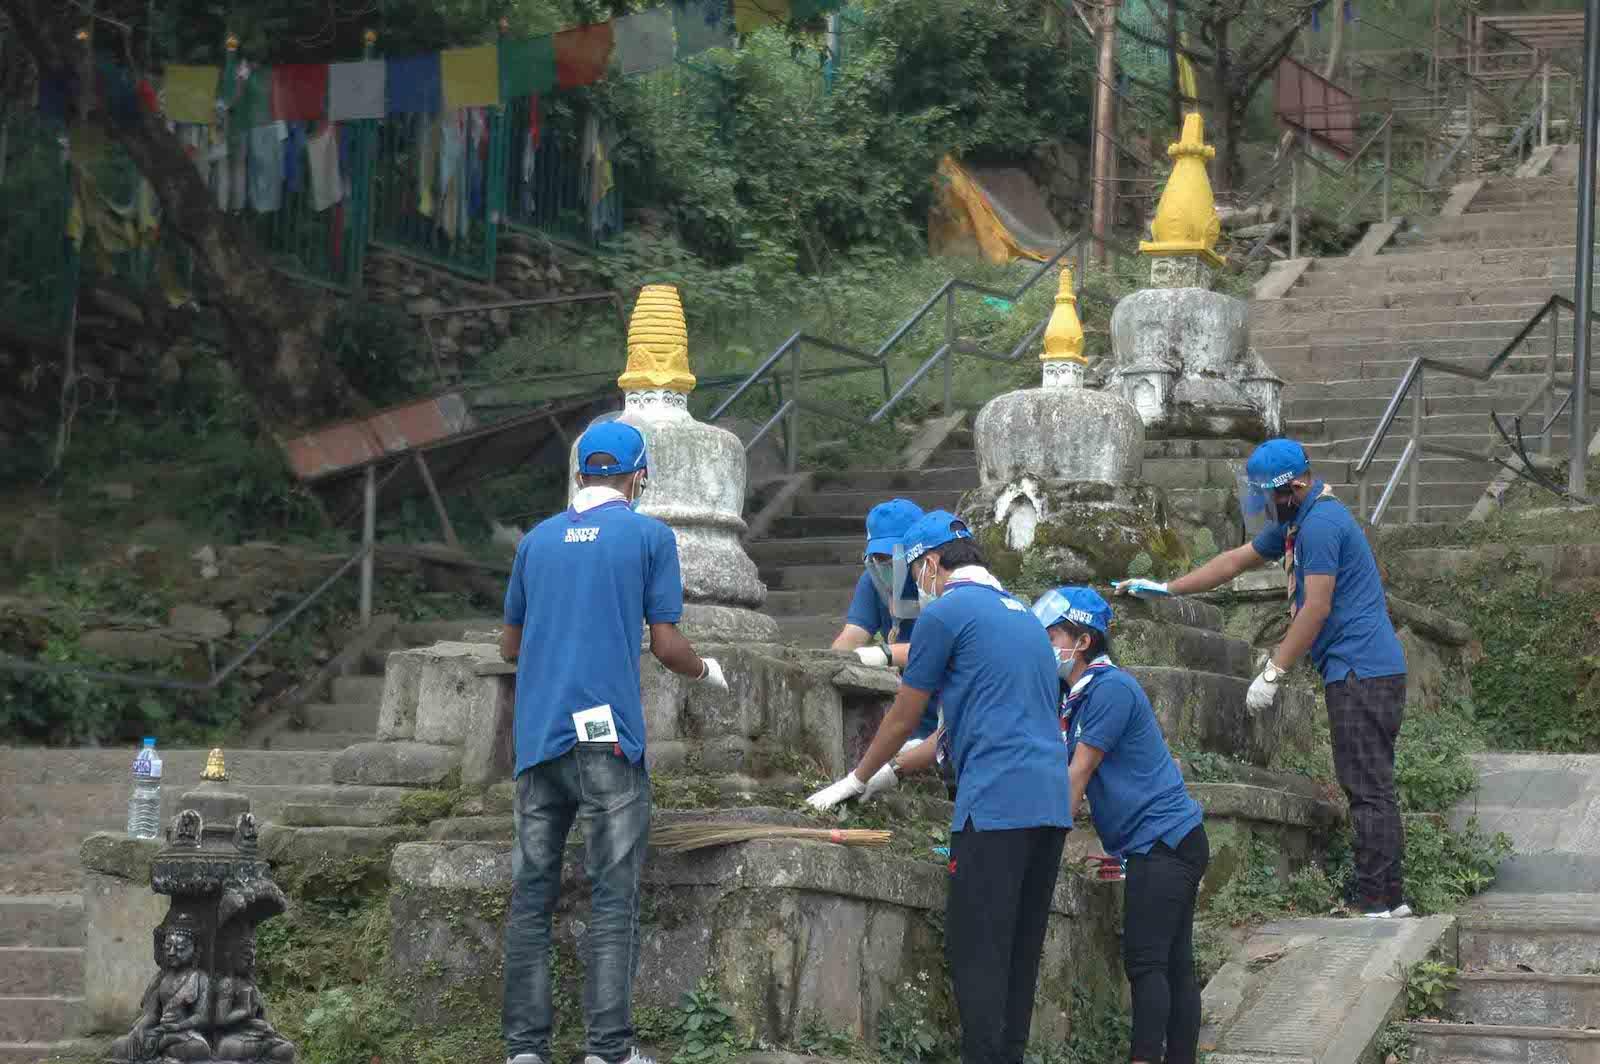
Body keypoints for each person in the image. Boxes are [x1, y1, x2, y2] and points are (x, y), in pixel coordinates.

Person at [499, 420, 729, 1064]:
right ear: (639, 476)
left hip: (538, 740)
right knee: (611, 894)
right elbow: (666, 644)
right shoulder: (650, 536)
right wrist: (706, 671)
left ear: (580, 474)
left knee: (531, 896)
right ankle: (607, 1051)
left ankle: (524, 1051)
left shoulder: (536, 542)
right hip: (608, 742)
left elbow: (510, 646)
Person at [807, 511, 1072, 1064]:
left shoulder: (948, 613)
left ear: (929, 564)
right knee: (1020, 952)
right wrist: (895, 772)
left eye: (914, 571)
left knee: (976, 949)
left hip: (995, 805)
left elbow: (907, 715)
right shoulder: (1023, 615)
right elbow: (965, 730)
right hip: (1049, 806)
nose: (915, 584)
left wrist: (856, 778)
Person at [1113, 437, 1410, 918]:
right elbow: (1234, 562)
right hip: (1359, 671)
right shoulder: (1300, 521)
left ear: (1292, 487)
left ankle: (1380, 901)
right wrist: (1166, 587)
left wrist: (1273, 672)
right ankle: (1385, 898)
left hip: (1362, 672)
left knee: (1367, 787)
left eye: (1269, 496)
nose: (1265, 506)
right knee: (1368, 783)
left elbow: (1316, 608)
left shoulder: (1321, 526)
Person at [1032, 586, 1208, 1064]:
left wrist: (1043, 844)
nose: (1043, 644)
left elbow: (1078, 774)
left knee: (1149, 963)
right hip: (1166, 841)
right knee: (1171, 964)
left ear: (1082, 640)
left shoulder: (1110, 690)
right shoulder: (1081, 694)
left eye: (1051, 635)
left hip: (1165, 842)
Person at [830, 497, 924, 669]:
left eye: (896, 553)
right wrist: (828, 665)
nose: (888, 562)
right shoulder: (874, 579)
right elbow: (853, 635)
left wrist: (884, 654)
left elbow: (940, 651)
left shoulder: (938, 579)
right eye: (880, 556)